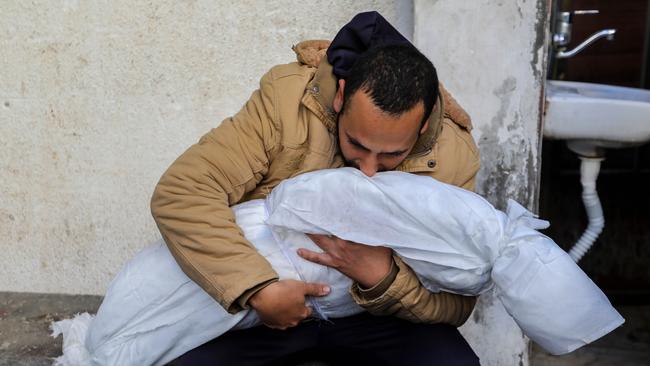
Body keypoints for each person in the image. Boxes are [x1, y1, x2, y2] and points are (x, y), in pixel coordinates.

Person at [151, 11, 480, 366]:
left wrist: (384, 280)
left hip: (379, 318)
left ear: (426, 121)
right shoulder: (287, 101)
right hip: (268, 308)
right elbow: (184, 191)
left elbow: (458, 297)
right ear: (341, 96)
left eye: (392, 155)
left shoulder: (453, 157)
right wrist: (257, 288)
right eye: (356, 143)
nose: (369, 170)